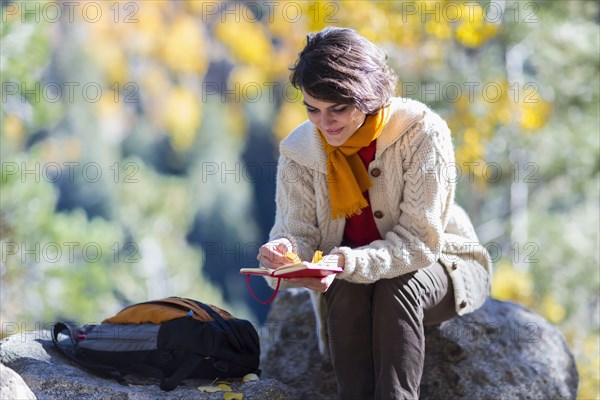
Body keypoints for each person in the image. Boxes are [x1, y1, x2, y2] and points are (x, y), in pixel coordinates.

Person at [257, 27, 492, 400]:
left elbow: (419, 243)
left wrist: (344, 263)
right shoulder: (300, 151)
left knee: (396, 287)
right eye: (313, 110)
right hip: (350, 271)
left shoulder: (421, 133)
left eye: (339, 109)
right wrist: (284, 251)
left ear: (370, 95)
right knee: (350, 289)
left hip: (442, 261)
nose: (325, 123)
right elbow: (298, 232)